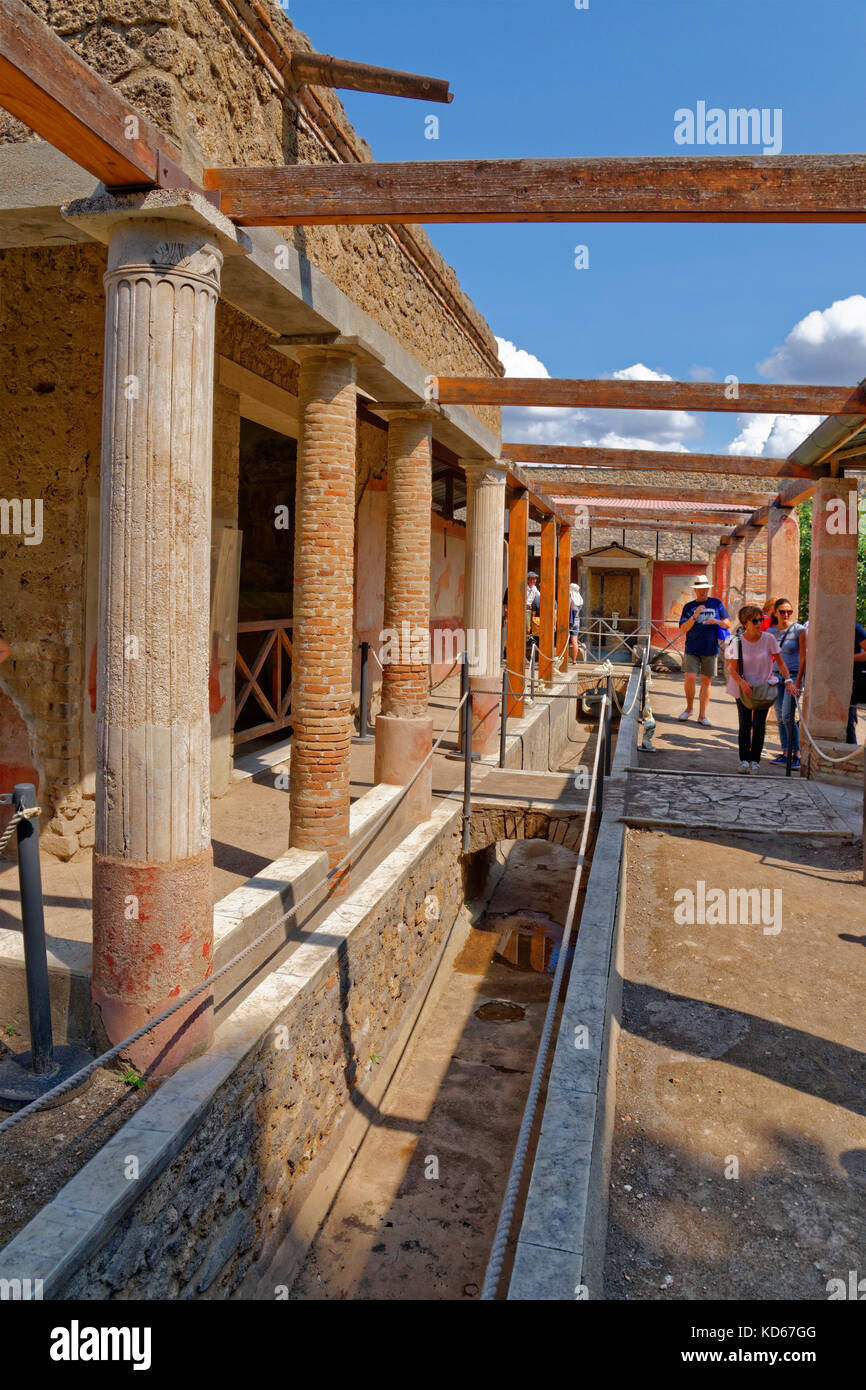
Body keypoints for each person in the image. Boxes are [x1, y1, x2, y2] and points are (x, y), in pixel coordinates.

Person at [725, 604, 795, 774]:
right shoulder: (737, 641)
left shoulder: (769, 639)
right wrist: (742, 683)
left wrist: (788, 680)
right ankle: (744, 760)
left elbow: (780, 662)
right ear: (745, 623)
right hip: (743, 688)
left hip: (763, 688)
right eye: (755, 621)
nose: (759, 623)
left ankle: (755, 761)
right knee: (745, 724)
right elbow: (731, 669)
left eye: (760, 620)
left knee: (759, 725)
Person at [677, 575, 729, 726]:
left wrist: (716, 621)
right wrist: (695, 615)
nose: (703, 591)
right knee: (690, 677)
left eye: (705, 588)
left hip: (710, 648)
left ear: (708, 589)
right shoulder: (688, 606)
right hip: (692, 648)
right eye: (700, 589)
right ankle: (689, 709)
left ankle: (702, 715)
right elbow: (683, 628)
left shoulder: (716, 603)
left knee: (706, 681)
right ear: (695, 590)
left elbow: (727, 623)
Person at [770, 598, 806, 767]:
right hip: (776, 676)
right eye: (782, 611)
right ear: (775, 613)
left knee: (787, 715)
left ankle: (796, 753)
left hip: (793, 676)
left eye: (789, 611)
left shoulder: (799, 630)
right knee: (780, 716)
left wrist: (798, 681)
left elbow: (804, 657)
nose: (786, 615)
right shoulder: (771, 631)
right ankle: (785, 752)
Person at [846, 621, 866, 744]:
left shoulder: (855, 628)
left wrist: (848, 658)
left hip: (853, 679)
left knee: (849, 721)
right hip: (838, 680)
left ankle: (851, 749)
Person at [569, 581, 583, 663]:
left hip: (569, 622)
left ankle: (562, 659)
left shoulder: (571, 599)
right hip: (577, 622)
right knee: (575, 642)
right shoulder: (580, 599)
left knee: (564, 640)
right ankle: (574, 661)